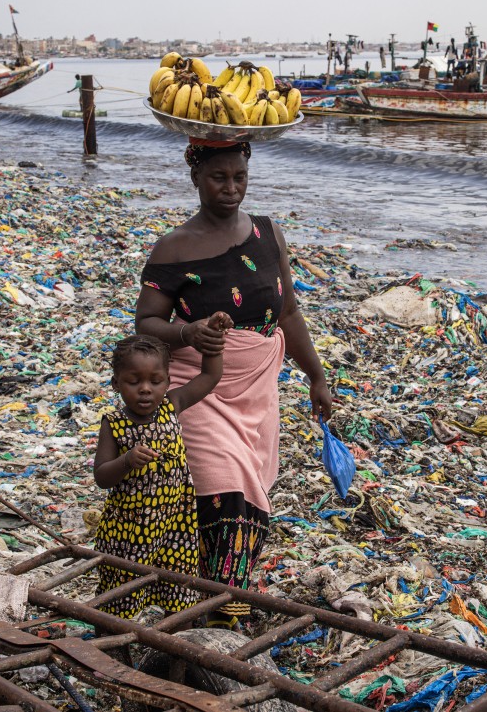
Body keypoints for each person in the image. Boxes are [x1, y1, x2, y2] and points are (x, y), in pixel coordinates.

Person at [135, 139, 332, 628]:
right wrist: (189, 332)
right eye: (219, 178)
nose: (231, 188)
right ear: (196, 178)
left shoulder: (268, 234)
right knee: (228, 497)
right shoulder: (174, 247)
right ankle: (223, 619)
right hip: (199, 385)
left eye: (239, 177)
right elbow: (146, 323)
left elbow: (287, 312)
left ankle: (216, 609)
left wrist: (317, 376)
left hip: (256, 391)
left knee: (249, 507)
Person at [93, 318, 231, 619]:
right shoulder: (114, 424)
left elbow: (210, 375)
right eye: (134, 381)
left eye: (155, 381)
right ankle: (110, 655)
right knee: (122, 595)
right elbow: (102, 476)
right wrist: (126, 461)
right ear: (116, 383)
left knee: (179, 592)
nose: (145, 390)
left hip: (176, 525)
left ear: (168, 381)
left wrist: (214, 337)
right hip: (130, 530)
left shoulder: (172, 405)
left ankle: (173, 653)